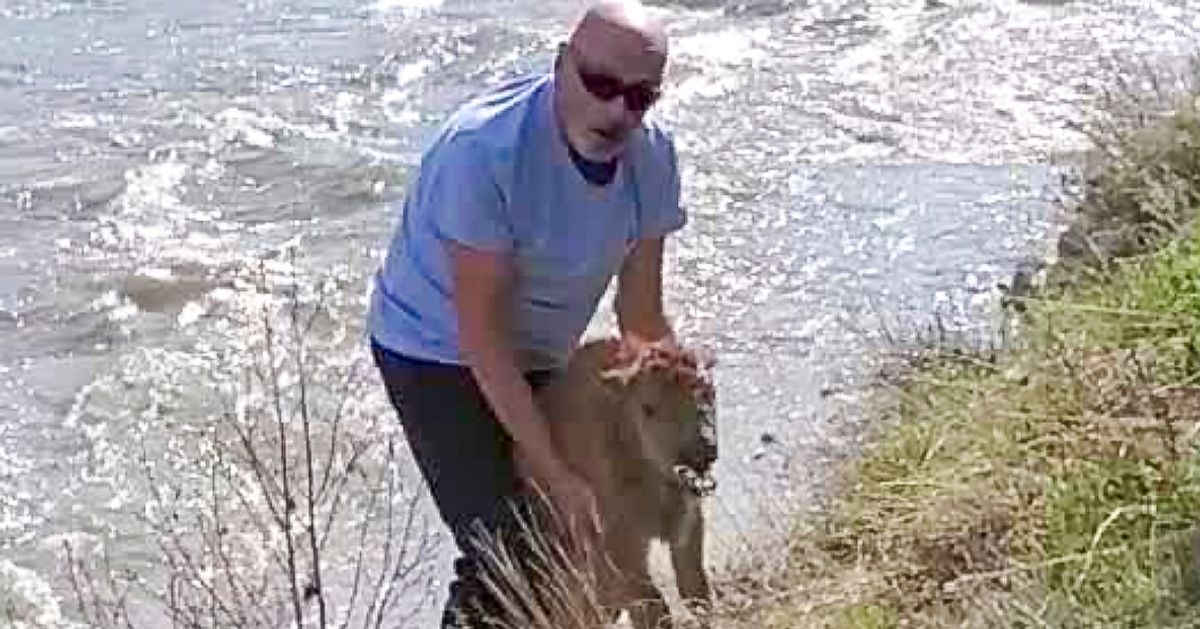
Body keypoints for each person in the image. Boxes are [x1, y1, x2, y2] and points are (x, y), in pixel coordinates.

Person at [365, 0, 686, 626]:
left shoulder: (652, 159)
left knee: (597, 524)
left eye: (639, 97)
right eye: (600, 85)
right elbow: (483, 341)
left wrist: (674, 420)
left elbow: (641, 312)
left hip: (539, 347)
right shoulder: (483, 153)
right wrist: (555, 474)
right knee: (514, 545)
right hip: (436, 349)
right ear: (562, 65)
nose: (616, 110)